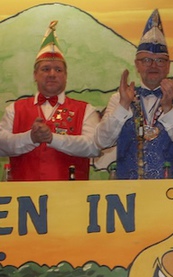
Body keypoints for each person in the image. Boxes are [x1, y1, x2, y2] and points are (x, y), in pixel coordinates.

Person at [94, 10, 173, 179]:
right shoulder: (119, 98)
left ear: (168, 66)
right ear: (137, 65)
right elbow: (101, 141)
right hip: (128, 191)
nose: (153, 66)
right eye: (146, 60)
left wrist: (169, 109)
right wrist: (123, 106)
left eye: (160, 60)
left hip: (170, 190)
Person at [0, 21, 99, 181]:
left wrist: (53, 138)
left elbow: (94, 146)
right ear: (35, 75)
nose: (52, 74)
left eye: (58, 70)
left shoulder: (86, 110)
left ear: (65, 76)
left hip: (71, 194)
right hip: (24, 194)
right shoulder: (14, 109)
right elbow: (1, 146)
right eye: (45, 69)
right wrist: (30, 138)